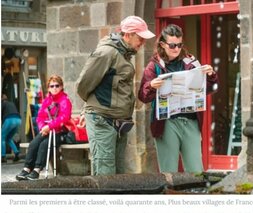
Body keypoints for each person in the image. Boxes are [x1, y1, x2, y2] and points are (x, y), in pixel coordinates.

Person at [76, 16, 155, 175]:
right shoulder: (107, 52)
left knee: (119, 175)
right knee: (105, 174)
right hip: (103, 120)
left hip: (119, 123)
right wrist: (93, 108)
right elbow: (83, 85)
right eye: (140, 38)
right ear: (128, 34)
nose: (143, 43)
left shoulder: (123, 53)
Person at [138, 24, 218, 173]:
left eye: (179, 45)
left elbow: (209, 89)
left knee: (196, 170)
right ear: (163, 44)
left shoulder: (191, 62)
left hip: (191, 121)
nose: (176, 48)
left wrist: (211, 75)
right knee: (169, 171)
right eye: (172, 45)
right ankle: (171, 196)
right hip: (166, 123)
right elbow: (142, 96)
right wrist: (151, 86)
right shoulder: (153, 66)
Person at [16, 75, 72, 180]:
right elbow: (40, 116)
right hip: (46, 130)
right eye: (52, 86)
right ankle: (27, 168)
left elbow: (64, 117)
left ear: (61, 87)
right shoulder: (47, 100)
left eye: (57, 85)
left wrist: (49, 127)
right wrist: (43, 127)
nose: (54, 88)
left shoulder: (65, 100)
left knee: (44, 144)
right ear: (48, 88)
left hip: (59, 132)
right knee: (33, 144)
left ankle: (37, 169)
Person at [1, 94, 21, 163]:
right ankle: (16, 153)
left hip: (9, 120)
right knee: (8, 138)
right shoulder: (11, 103)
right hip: (18, 120)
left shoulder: (2, 104)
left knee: (2, 137)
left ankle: (2, 157)